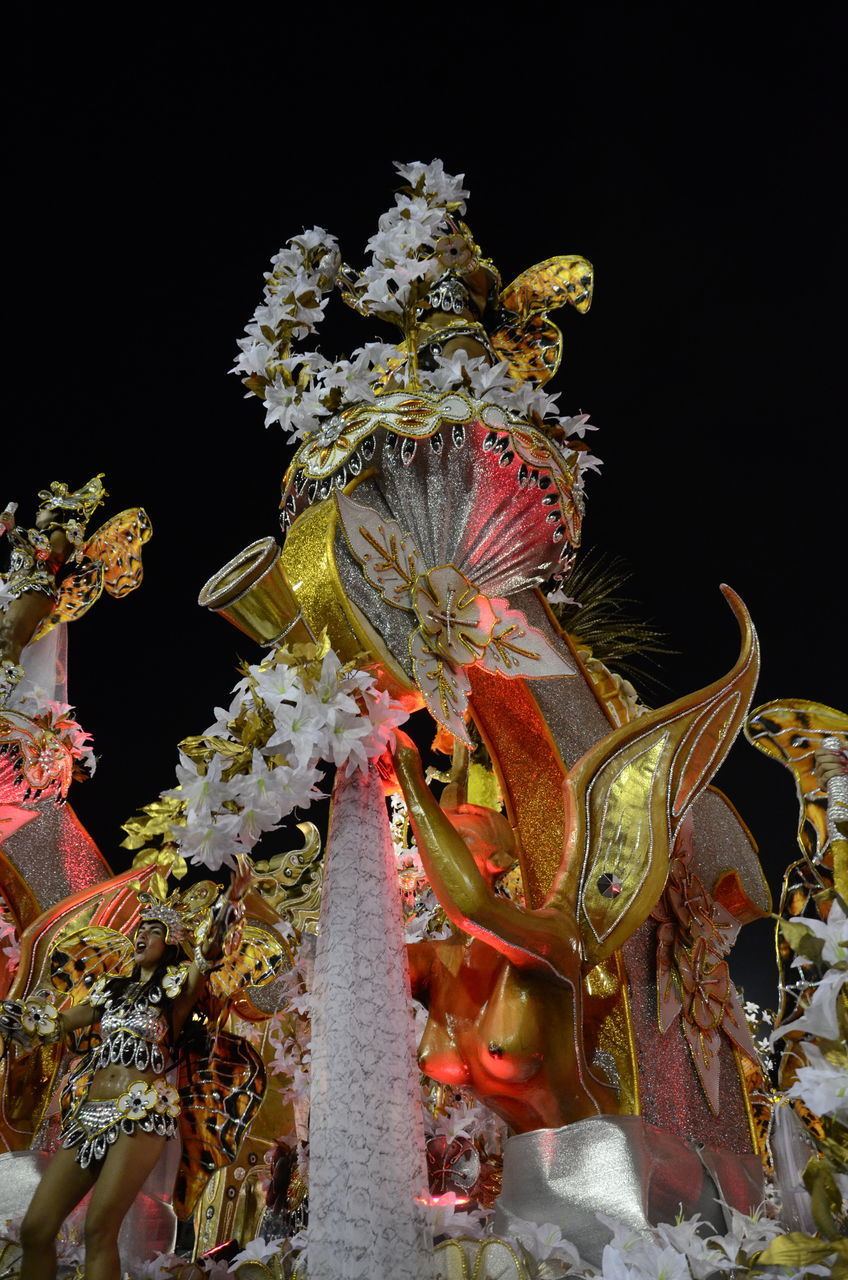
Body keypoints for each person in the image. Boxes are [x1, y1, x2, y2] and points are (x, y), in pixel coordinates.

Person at [0, 856, 255, 1280]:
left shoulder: (177, 991)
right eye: (140, 929)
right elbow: (56, 1024)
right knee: (36, 1228)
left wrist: (231, 900)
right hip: (88, 1116)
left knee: (100, 1230)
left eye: (154, 932)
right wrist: (12, 1015)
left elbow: (208, 954)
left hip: (140, 1113)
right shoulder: (109, 991)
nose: (142, 936)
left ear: (170, 944)